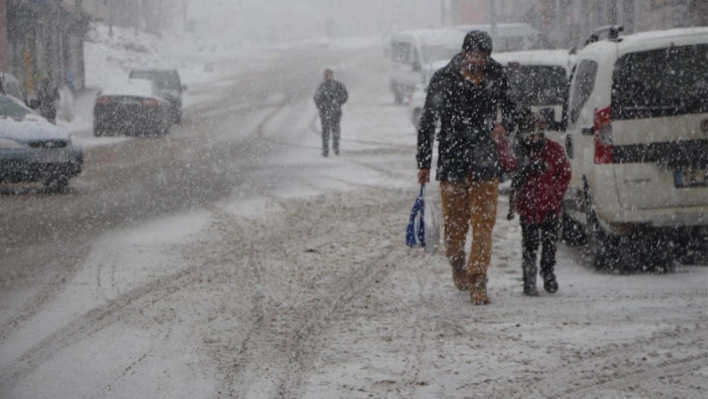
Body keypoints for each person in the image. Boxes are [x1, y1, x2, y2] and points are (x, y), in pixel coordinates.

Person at [417, 30, 518, 305]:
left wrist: (504, 125)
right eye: (474, 55)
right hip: (453, 162)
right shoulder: (444, 77)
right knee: (454, 230)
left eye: (483, 56)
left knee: (483, 226)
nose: (479, 61)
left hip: (485, 162)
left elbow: (512, 108)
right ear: (463, 53)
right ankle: (458, 263)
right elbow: (427, 122)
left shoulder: (497, 75)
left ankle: (478, 279)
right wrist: (424, 163)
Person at [507, 112, 571, 296]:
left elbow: (565, 173)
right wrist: (526, 168)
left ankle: (548, 272)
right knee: (529, 245)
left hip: (550, 208)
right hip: (528, 209)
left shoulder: (554, 150)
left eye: (536, 134)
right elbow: (512, 173)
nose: (533, 139)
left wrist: (555, 193)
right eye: (529, 135)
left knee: (550, 244)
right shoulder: (520, 153)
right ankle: (529, 278)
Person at [314, 69, 348, 157]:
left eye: (329, 75)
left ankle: (336, 148)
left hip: (336, 113)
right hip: (325, 113)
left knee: (335, 131)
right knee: (325, 132)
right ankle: (325, 150)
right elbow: (316, 98)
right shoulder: (321, 87)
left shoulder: (338, 86)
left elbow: (345, 96)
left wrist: (337, 102)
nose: (328, 77)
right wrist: (322, 106)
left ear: (332, 75)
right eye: (326, 75)